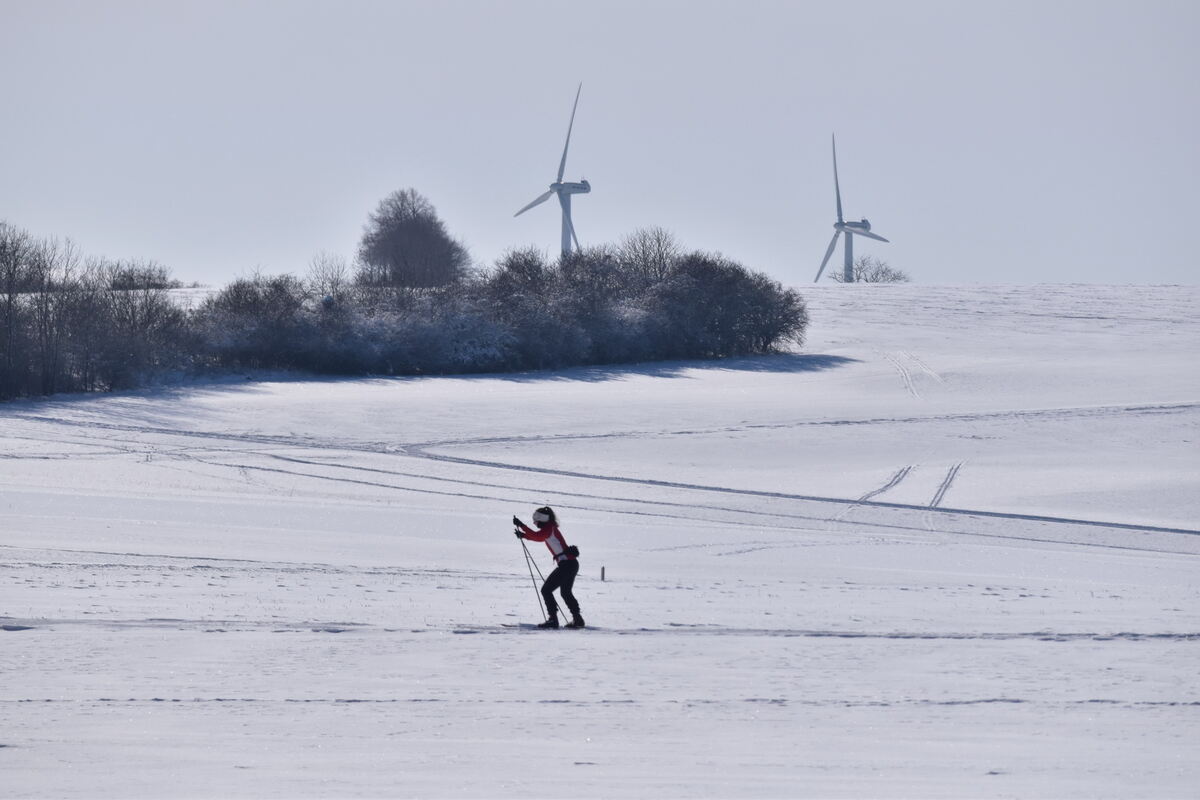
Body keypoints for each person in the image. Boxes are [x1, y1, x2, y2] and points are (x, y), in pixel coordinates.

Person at [513, 506, 584, 629]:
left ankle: (553, 620)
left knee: (546, 590)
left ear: (542, 519)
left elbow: (538, 536)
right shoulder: (549, 528)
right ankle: (578, 620)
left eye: (536, 520)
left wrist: (522, 526)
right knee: (566, 592)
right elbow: (539, 537)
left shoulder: (549, 528)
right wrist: (524, 535)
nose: (535, 523)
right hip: (571, 564)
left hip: (567, 565)